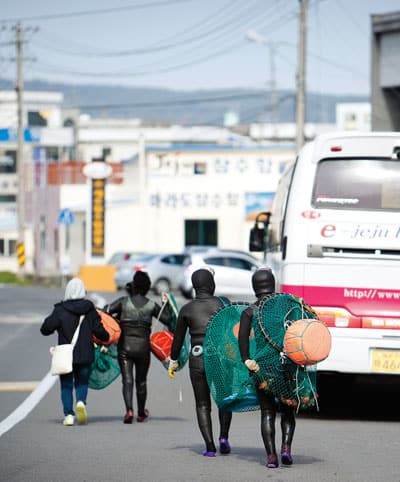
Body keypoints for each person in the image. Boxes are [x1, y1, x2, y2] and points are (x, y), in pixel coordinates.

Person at [168, 267, 232, 457]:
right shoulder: (224, 303)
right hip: (220, 359)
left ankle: (210, 446)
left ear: (195, 286)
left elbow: (177, 341)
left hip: (197, 360)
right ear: (211, 284)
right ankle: (223, 437)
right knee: (224, 400)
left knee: (202, 405)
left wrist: (173, 361)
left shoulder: (187, 309)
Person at [238, 267, 296, 469]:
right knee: (288, 410)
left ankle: (271, 456)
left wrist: (247, 360)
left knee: (267, 413)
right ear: (273, 285)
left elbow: (242, 341)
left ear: (255, 288)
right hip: (286, 367)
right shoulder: (286, 306)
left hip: (262, 369)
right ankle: (286, 448)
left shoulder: (249, 312)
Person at [40, 277, 109, 426]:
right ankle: (81, 402)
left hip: (66, 355)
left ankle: (69, 415)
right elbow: (99, 331)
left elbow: (45, 329)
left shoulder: (60, 309)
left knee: (66, 385)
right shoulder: (89, 308)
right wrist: (106, 337)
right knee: (82, 382)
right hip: (85, 354)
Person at [104, 271, 171, 424]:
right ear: (147, 287)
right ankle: (141, 413)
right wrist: (165, 303)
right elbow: (167, 318)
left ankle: (129, 410)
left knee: (127, 380)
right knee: (141, 381)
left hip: (124, 348)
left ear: (133, 284)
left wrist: (117, 320)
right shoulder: (151, 305)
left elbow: (105, 310)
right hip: (143, 349)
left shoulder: (123, 302)